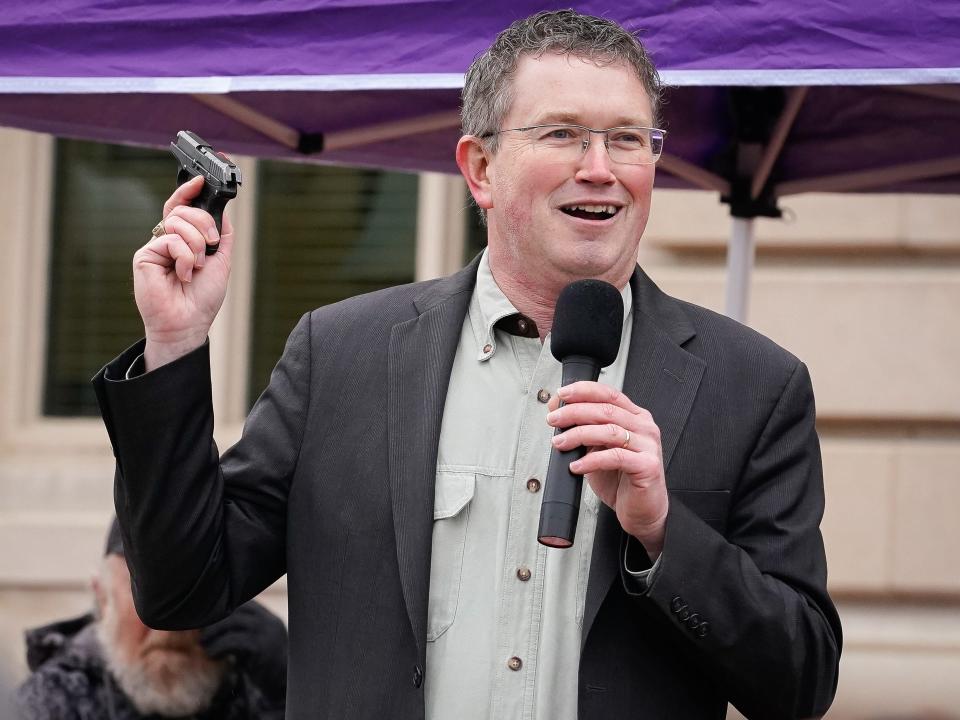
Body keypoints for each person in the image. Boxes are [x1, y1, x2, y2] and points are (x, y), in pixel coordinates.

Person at [92, 9, 842, 720]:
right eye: (563, 134)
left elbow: (801, 681)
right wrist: (175, 345)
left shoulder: (754, 386)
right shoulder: (343, 354)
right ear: (480, 167)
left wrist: (663, 533)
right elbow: (181, 588)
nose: (600, 168)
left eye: (628, 139)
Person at [14, 519, 287, 719]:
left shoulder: (253, 685)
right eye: (149, 597)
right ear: (103, 599)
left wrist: (291, 689)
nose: (171, 626)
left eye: (192, 594)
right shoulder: (55, 700)